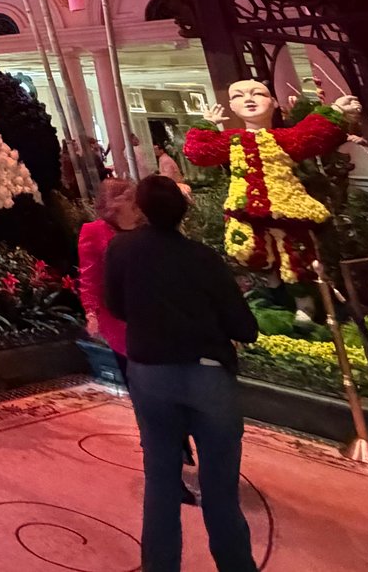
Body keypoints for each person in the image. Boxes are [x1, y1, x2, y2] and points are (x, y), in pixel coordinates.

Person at [104, 174, 259, 572]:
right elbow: (245, 327)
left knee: (160, 480)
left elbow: (117, 306)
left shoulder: (121, 250)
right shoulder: (203, 258)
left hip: (150, 374)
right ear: (183, 210)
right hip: (207, 376)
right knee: (220, 489)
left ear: (140, 208)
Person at [79, 177, 140, 368]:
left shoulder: (144, 227)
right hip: (116, 313)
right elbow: (90, 276)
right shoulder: (94, 231)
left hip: (148, 307)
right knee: (131, 367)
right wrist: (91, 313)